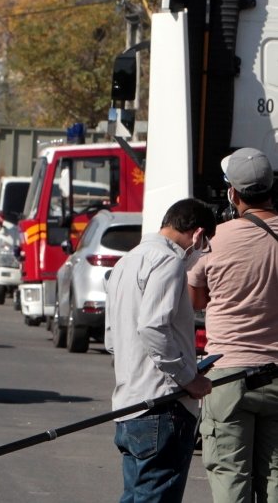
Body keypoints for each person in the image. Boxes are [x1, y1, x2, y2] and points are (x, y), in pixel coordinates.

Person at [105, 198, 215, 503]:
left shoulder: (126, 261)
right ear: (198, 235)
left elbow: (112, 339)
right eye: (205, 246)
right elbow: (153, 327)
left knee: (138, 495)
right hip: (162, 406)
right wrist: (190, 378)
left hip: (129, 404)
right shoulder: (168, 262)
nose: (199, 255)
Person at [188, 147, 278, 503]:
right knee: (275, 477)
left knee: (230, 474)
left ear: (233, 193)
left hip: (228, 377)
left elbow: (195, 300)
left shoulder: (215, 239)